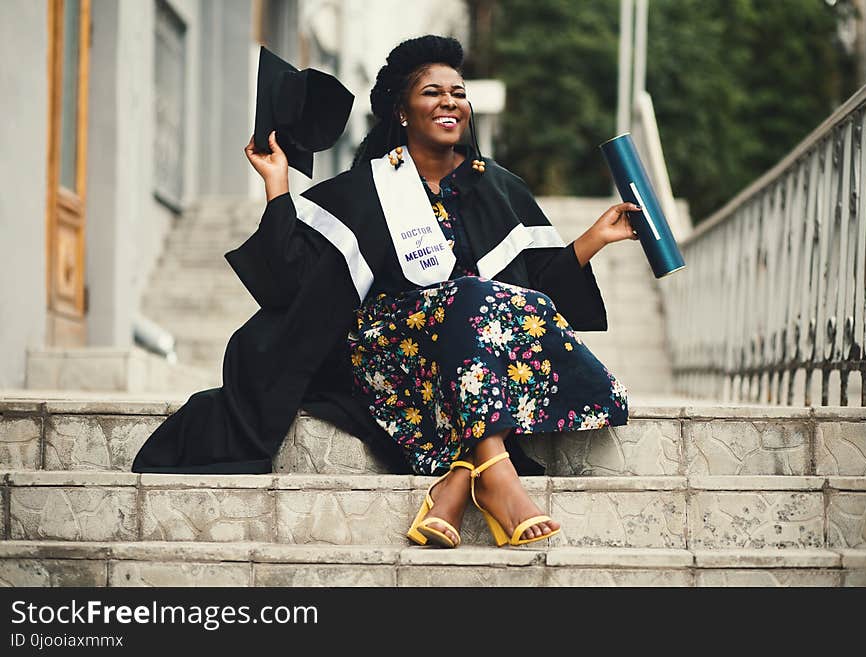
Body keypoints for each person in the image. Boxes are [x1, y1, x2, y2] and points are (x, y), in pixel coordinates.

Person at [132, 34, 636, 549]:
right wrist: (277, 185)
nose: (450, 102)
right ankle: (499, 480)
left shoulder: (502, 189)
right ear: (401, 111)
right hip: (389, 356)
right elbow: (290, 283)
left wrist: (594, 238)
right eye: (432, 92)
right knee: (470, 298)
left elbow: (534, 298)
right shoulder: (365, 190)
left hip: (469, 361)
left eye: (459, 93)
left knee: (496, 307)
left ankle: (463, 479)